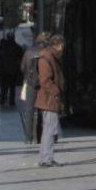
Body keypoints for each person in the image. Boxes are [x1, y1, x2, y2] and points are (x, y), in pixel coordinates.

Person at [35, 35, 65, 167]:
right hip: (49, 100)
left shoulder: (51, 57)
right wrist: (56, 92)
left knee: (49, 129)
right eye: (62, 46)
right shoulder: (46, 58)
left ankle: (47, 158)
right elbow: (45, 81)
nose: (62, 49)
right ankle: (46, 159)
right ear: (58, 45)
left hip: (50, 99)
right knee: (49, 130)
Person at [19, 33, 49, 145]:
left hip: (30, 84)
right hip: (43, 85)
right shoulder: (46, 52)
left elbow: (22, 68)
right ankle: (39, 137)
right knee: (41, 110)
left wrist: (28, 76)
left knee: (29, 111)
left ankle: (28, 138)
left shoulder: (28, 52)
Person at [0, 32, 23, 107]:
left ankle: (2, 100)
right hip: (13, 71)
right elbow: (21, 57)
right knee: (12, 87)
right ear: (13, 38)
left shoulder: (2, 47)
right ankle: (11, 101)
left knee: (3, 86)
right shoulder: (17, 47)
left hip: (4, 70)